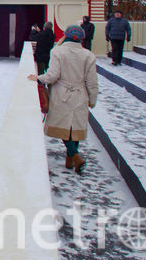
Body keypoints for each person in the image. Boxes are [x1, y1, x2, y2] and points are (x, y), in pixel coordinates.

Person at [27, 25, 98, 173]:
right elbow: (92, 82)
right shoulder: (88, 55)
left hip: (61, 94)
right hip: (80, 93)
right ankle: (71, 159)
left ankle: (75, 157)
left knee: (64, 128)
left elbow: (53, 75)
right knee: (74, 127)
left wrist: (38, 78)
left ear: (65, 36)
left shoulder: (58, 52)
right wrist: (92, 99)